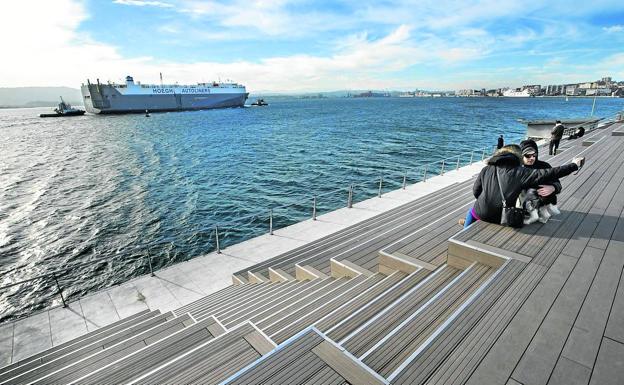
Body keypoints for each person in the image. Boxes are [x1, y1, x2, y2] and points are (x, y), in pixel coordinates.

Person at [463, 144, 583, 228]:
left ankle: (465, 228)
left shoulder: (486, 169)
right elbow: (551, 173)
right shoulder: (520, 172)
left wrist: (487, 201)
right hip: (502, 217)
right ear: (518, 157)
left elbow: (476, 191)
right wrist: (574, 165)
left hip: (481, 212)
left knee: (472, 211)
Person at [519, 139, 562, 224]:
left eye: (534, 155)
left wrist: (553, 187)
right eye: (528, 156)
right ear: (521, 155)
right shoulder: (517, 168)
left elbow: (558, 184)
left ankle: (542, 212)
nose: (532, 158)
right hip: (522, 204)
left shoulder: (544, 166)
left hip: (542, 202)